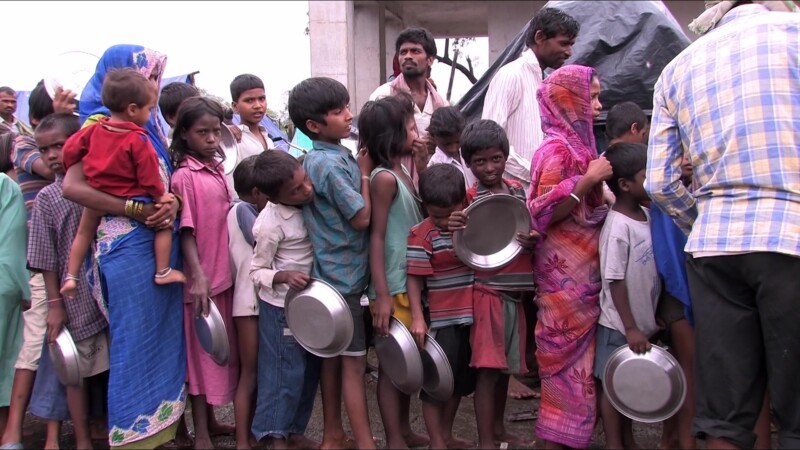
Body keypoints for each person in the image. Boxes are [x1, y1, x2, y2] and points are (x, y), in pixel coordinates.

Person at [646, 2, 800, 448]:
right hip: (790, 236)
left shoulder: (679, 66)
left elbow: (660, 182)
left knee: (724, 417)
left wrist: (704, 221)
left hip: (715, 246)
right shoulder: (794, 34)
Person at [61, 44, 186, 449]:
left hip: (152, 240)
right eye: (147, 77)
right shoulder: (97, 125)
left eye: (154, 78)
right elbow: (73, 187)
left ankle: (156, 432)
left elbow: (161, 185)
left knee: (155, 339)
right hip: (125, 243)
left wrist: (171, 203)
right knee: (134, 342)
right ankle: (131, 437)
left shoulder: (148, 129)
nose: (152, 87)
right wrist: (136, 208)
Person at [288, 77, 375, 449]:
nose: (348, 115)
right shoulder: (328, 164)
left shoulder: (325, 157)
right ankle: (365, 443)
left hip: (329, 277)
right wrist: (367, 173)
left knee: (333, 359)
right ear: (314, 126)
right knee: (353, 364)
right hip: (346, 279)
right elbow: (360, 218)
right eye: (339, 111)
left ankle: (332, 434)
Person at [527, 64, 611, 449]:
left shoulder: (582, 148)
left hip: (584, 278)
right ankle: (557, 439)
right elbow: (544, 212)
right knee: (563, 364)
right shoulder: (556, 151)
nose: (597, 104)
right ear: (568, 101)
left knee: (582, 367)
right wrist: (589, 181)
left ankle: (570, 438)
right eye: (591, 96)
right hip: (562, 280)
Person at [447, 120, 539, 449]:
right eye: (480, 161)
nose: (489, 167)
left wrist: (531, 240)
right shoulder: (469, 199)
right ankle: (487, 440)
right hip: (488, 295)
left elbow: (526, 229)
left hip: (516, 293)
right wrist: (453, 225)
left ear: (506, 156)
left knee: (504, 370)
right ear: (468, 163)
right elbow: (460, 240)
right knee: (488, 371)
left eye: (496, 159)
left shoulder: (516, 190)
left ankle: (499, 432)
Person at [60, 69, 185, 298]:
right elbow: (149, 176)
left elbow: (70, 150)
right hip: (132, 198)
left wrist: (79, 164)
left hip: (97, 194)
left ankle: (71, 276)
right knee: (164, 225)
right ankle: (163, 269)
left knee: (83, 234)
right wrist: (160, 197)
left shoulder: (94, 129)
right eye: (149, 109)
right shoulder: (137, 138)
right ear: (133, 109)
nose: (150, 113)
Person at [1, 81, 77, 450]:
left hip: (70, 259)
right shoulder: (24, 145)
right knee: (36, 345)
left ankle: (68, 429)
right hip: (40, 261)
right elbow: (55, 171)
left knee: (74, 347)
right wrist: (60, 125)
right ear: (35, 119)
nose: (53, 152)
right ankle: (14, 429)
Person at [27, 113, 110, 450]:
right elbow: (45, 258)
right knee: (76, 372)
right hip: (73, 299)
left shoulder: (101, 183)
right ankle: (81, 438)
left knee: (111, 367)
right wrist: (55, 305)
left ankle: (108, 428)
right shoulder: (48, 197)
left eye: (58, 146)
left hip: (108, 293)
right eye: (43, 149)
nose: (50, 155)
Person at [169, 96, 239, 450]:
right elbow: (186, 230)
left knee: (218, 353)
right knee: (201, 360)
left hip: (223, 274)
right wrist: (198, 277)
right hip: (202, 282)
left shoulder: (215, 170)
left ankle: (211, 420)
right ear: (184, 135)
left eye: (215, 132)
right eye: (202, 133)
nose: (212, 139)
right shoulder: (184, 177)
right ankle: (202, 434)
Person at [361, 94, 427, 449]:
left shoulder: (403, 170)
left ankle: (403, 430)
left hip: (407, 281)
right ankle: (393, 438)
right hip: (393, 284)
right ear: (391, 134)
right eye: (411, 126)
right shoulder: (385, 178)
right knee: (391, 365)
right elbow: (377, 236)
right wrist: (382, 295)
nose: (417, 131)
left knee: (407, 361)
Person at [248, 150, 320, 450]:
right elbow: (256, 271)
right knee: (282, 373)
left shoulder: (307, 204)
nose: (306, 190)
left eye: (305, 182)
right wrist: (284, 276)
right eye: (296, 190)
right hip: (281, 309)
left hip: (310, 306)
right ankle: (273, 436)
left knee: (308, 372)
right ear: (274, 196)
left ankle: (294, 430)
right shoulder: (269, 223)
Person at [595, 142, 660, 449]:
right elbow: (615, 279)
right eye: (647, 176)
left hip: (642, 320)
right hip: (618, 325)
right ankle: (614, 443)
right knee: (612, 384)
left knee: (630, 382)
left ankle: (629, 438)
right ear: (624, 185)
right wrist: (631, 326)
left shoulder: (647, 215)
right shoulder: (618, 226)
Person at [407, 163, 476, 450]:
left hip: (473, 318)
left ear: (463, 201)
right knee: (437, 385)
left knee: (460, 382)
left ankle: (446, 435)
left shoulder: (474, 219)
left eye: (450, 213)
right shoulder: (422, 234)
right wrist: (418, 319)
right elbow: (413, 278)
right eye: (437, 215)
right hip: (442, 321)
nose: (444, 221)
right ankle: (436, 441)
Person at [482, 8, 579, 189]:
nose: (569, 52)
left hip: (541, 191)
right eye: (564, 43)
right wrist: (536, 173)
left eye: (571, 44)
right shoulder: (511, 75)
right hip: (514, 193)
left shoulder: (547, 82)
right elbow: (489, 143)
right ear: (540, 37)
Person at [370, 27, 447, 185]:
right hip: (394, 185)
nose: (407, 57)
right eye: (403, 52)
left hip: (431, 185)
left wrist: (438, 143)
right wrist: (413, 145)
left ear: (430, 59)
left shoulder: (440, 102)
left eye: (415, 51)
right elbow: (371, 144)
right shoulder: (383, 95)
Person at [225, 156, 260, 449]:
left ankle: (249, 434)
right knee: (249, 373)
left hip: (252, 302)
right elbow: (260, 241)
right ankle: (241, 440)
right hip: (248, 303)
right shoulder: (241, 210)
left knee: (255, 372)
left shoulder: (242, 208)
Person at [0, 149, 25, 444]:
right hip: (6, 282)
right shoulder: (7, 187)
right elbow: (12, 238)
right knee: (8, 356)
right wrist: (23, 287)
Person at [425, 106, 476, 190]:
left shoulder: (470, 152)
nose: (454, 149)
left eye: (458, 142)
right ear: (433, 137)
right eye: (447, 144)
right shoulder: (434, 166)